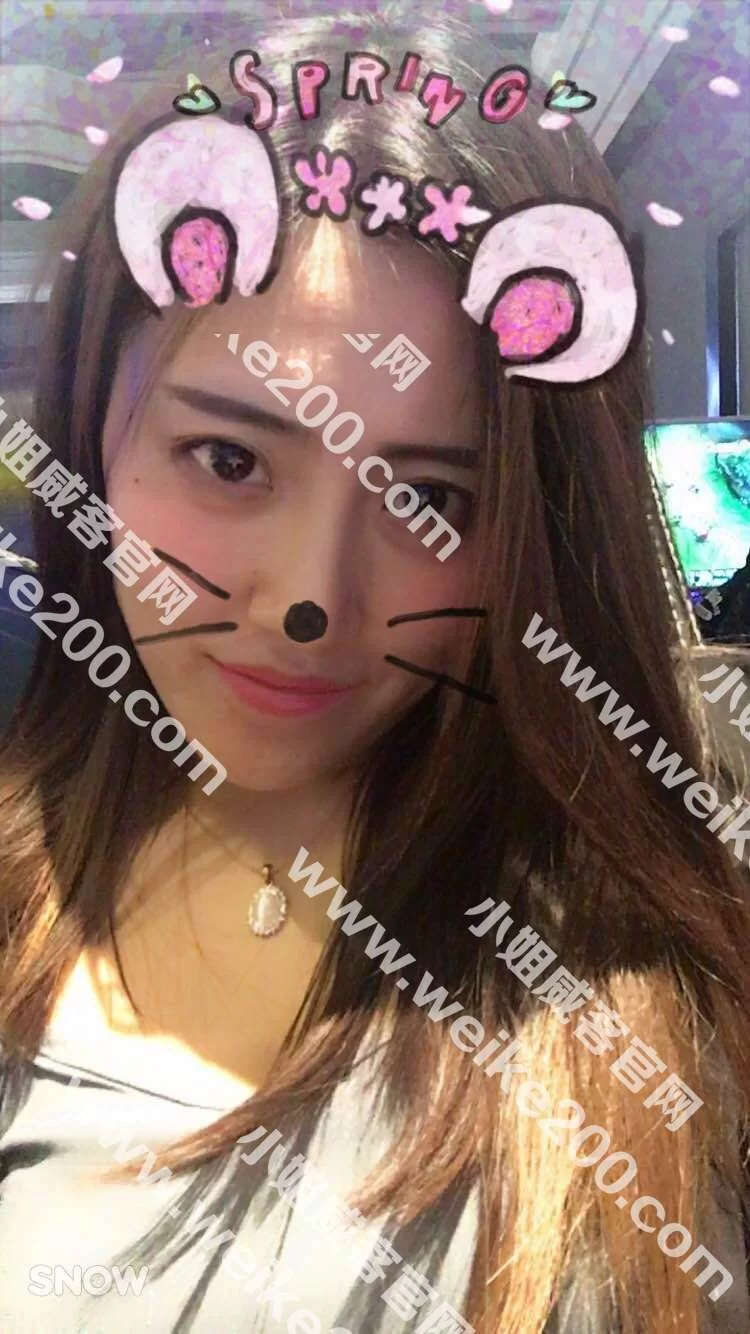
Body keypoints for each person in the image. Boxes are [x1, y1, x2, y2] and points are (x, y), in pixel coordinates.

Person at [0, 10, 748, 1334]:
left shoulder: (659, 976)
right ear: (91, 437)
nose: (309, 602)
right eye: (229, 460)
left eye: (430, 502)